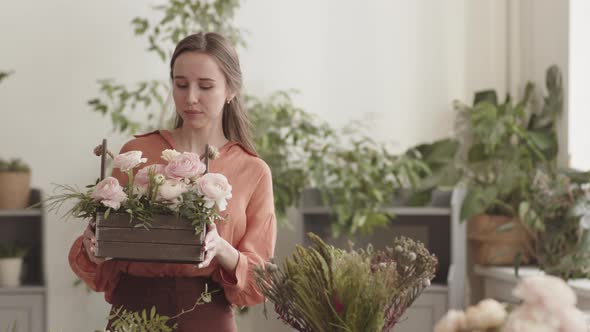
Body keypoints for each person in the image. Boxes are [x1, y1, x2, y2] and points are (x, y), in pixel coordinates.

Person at [68, 32, 277, 331]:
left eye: (205, 86)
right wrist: (92, 245)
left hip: (206, 314)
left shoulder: (253, 170)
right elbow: (101, 260)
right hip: (132, 310)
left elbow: (260, 280)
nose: (190, 97)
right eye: (181, 84)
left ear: (231, 89)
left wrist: (220, 248)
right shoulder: (135, 154)